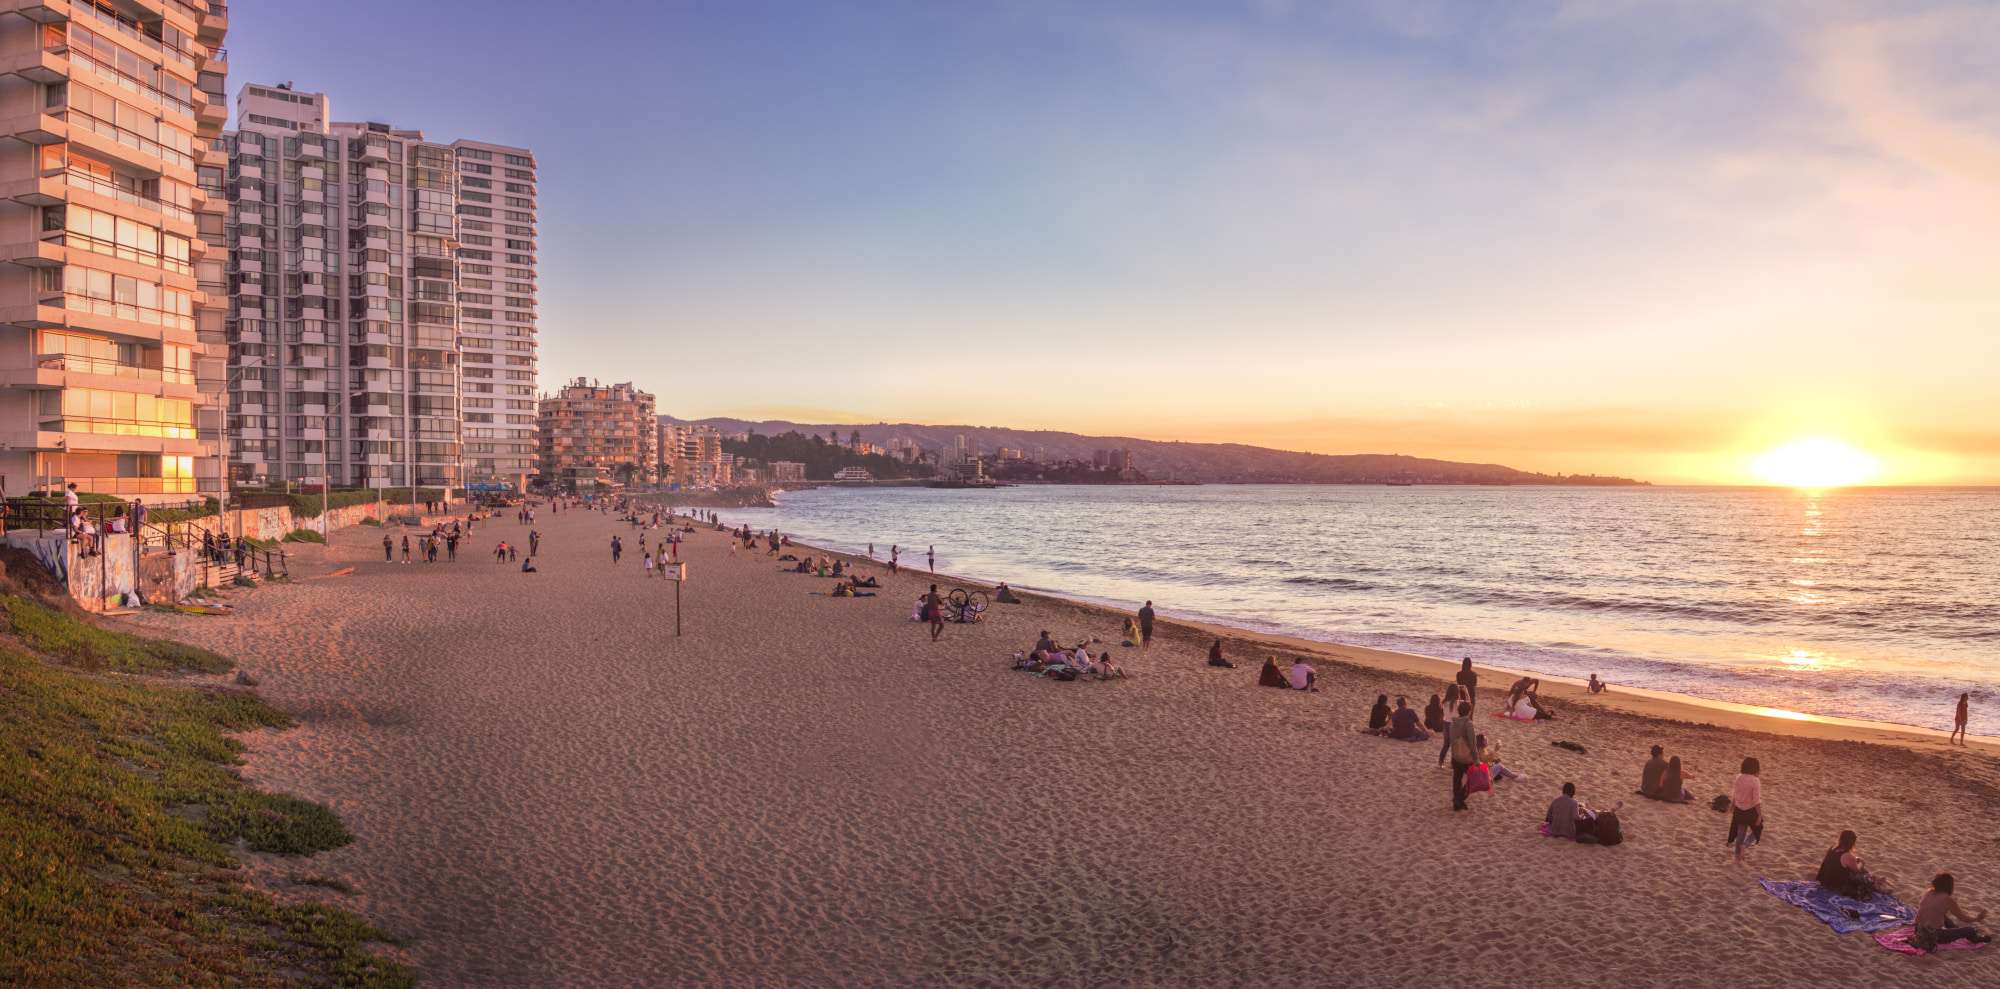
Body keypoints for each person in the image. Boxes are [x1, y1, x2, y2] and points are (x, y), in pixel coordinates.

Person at [1913, 874, 1992, 951]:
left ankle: (1956, 929)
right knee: (1970, 930)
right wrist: (1977, 919)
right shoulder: (1947, 899)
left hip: (1917, 930)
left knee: (1943, 916)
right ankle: (1975, 939)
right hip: (1934, 936)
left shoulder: (1928, 892)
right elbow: (1963, 918)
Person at [1816, 830, 1884, 900]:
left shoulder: (1833, 848)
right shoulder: (1847, 855)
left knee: (1857, 870)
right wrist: (1862, 863)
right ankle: (1875, 881)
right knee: (1863, 875)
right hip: (1835, 885)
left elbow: (1840, 861)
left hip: (1824, 880)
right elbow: (1857, 871)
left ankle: (1875, 879)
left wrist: (1855, 859)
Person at [1727, 757, 1763, 861]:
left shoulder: (1738, 777)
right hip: (1750, 810)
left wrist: (1732, 806)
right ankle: (1745, 845)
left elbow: (1735, 793)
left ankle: (1737, 856)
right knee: (1759, 829)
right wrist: (1759, 815)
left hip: (1739, 809)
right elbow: (1756, 800)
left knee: (1740, 833)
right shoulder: (1755, 780)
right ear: (1755, 768)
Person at [1446, 702, 1477, 811]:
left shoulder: (1453, 723)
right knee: (1473, 779)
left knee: (1457, 780)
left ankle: (1457, 803)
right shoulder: (1468, 723)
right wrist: (1476, 759)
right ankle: (1458, 799)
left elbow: (1452, 741)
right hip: (1466, 758)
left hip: (1455, 756)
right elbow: (1473, 743)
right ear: (1469, 711)